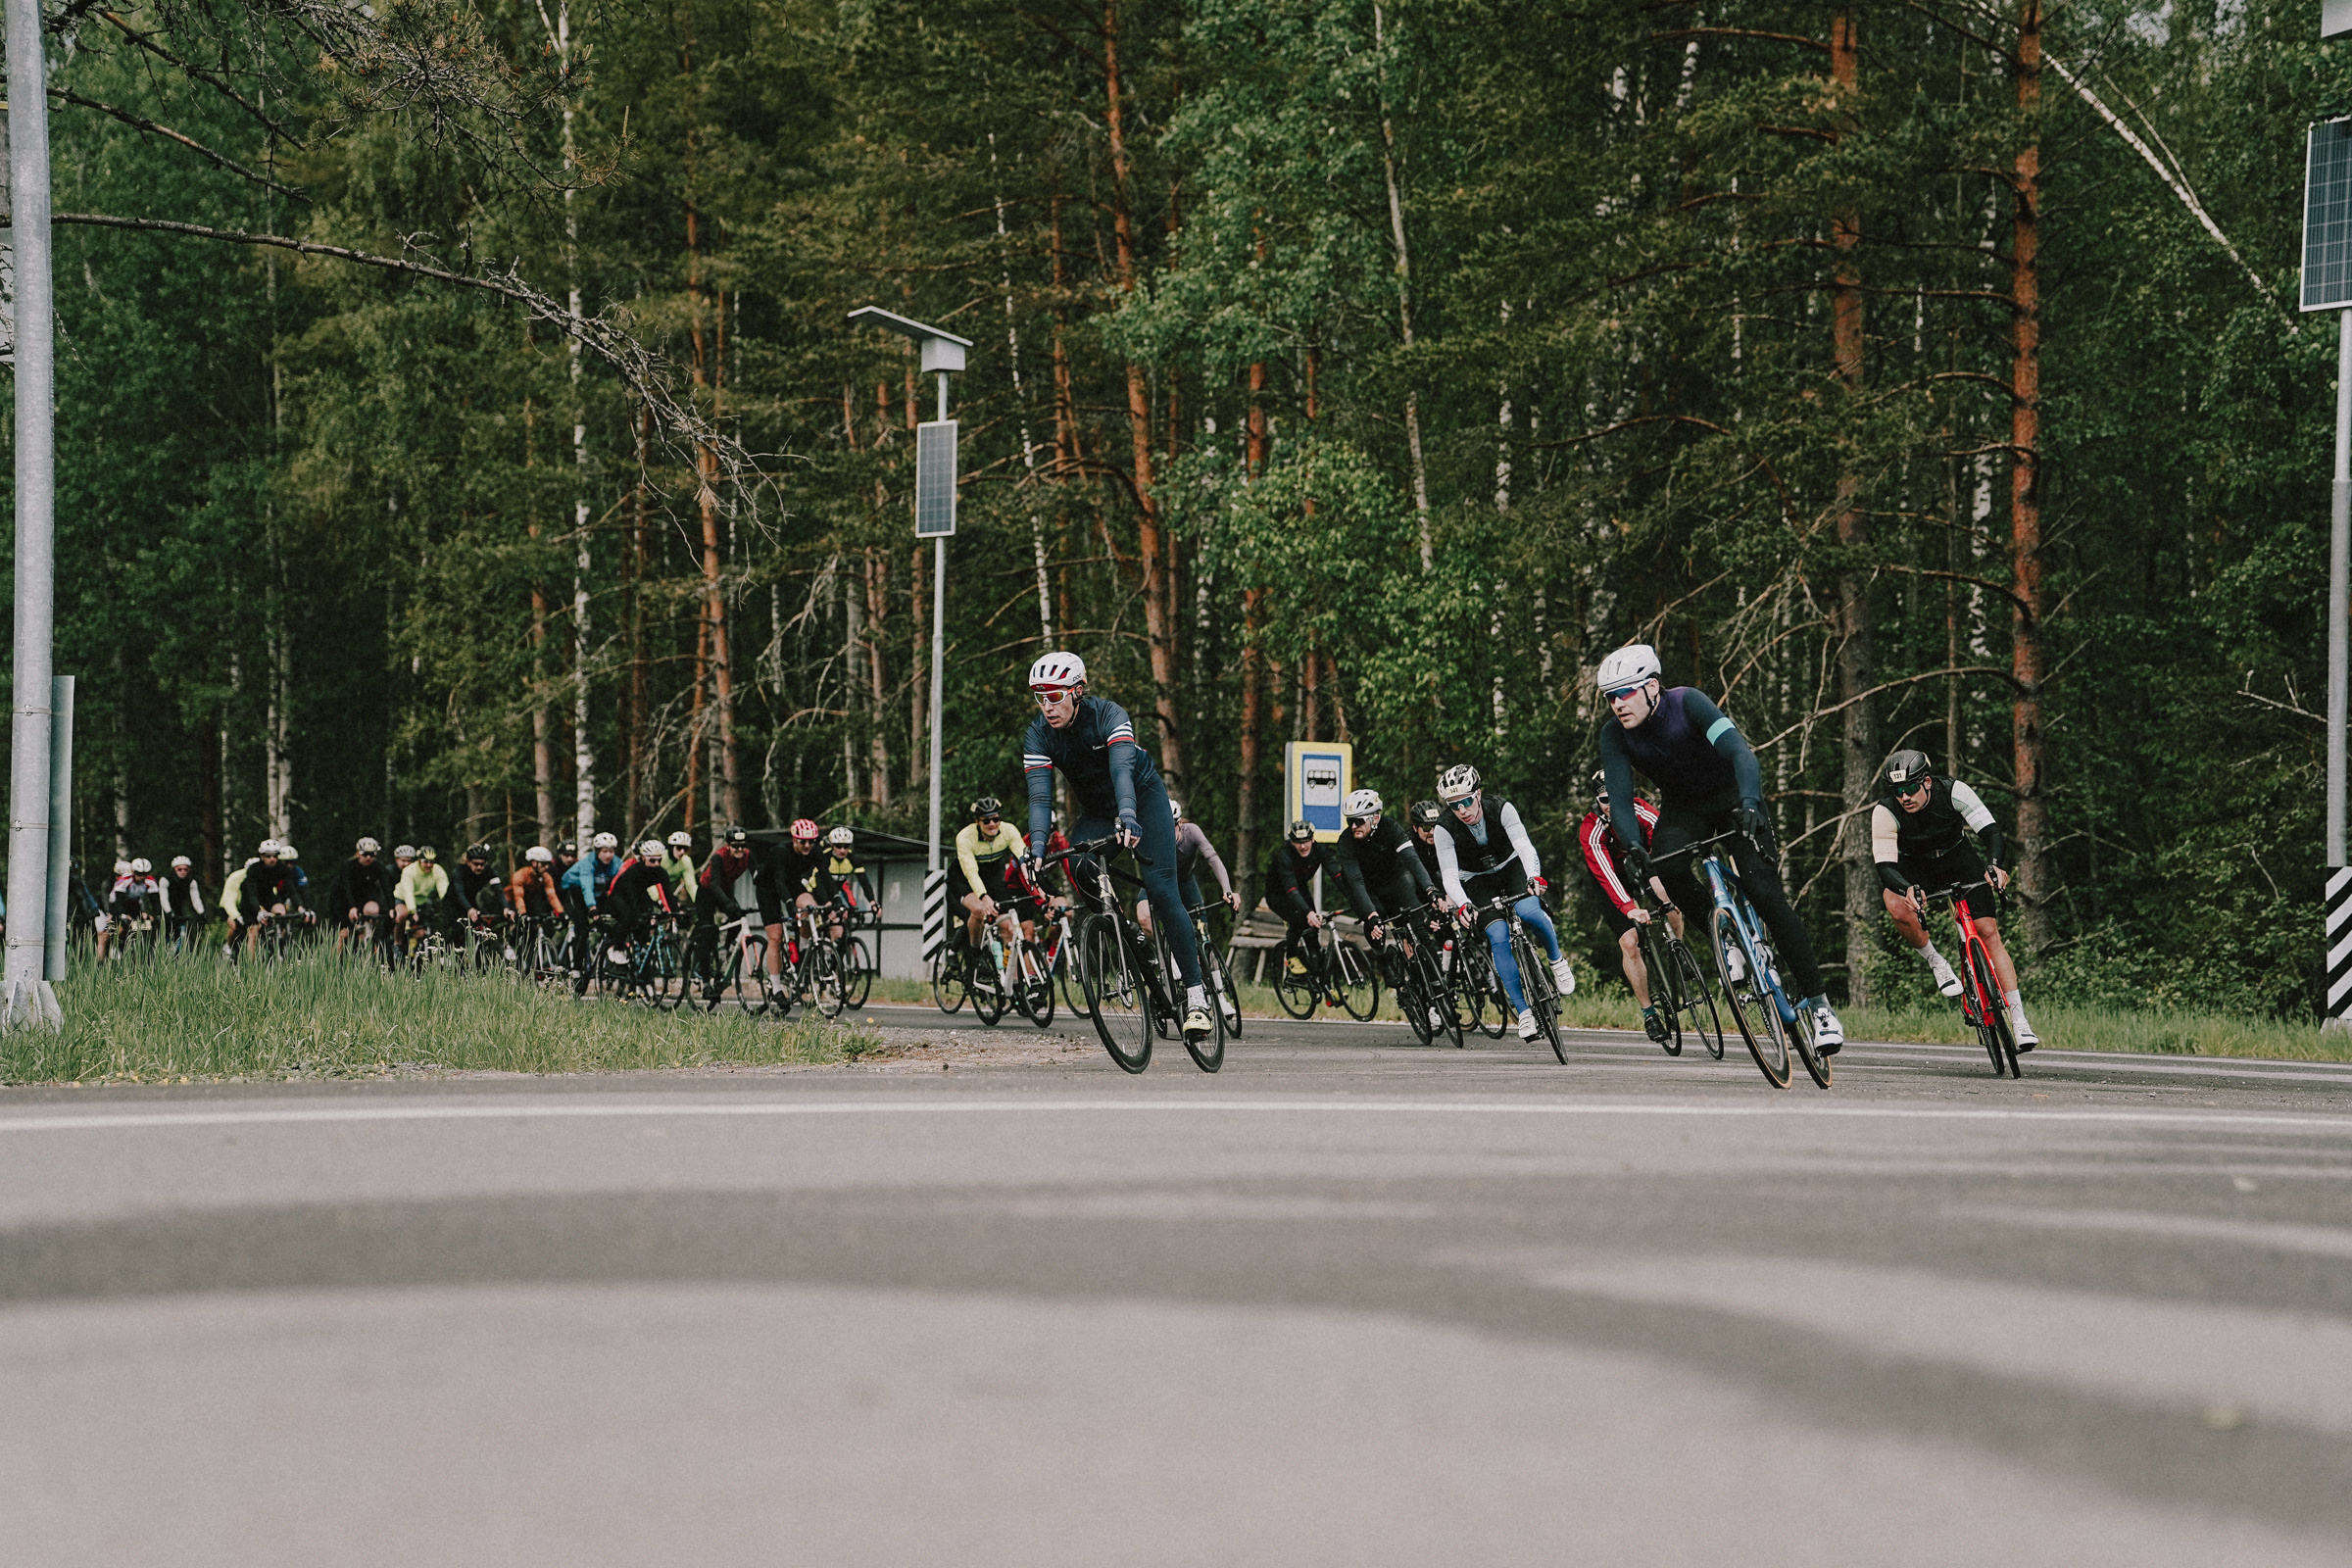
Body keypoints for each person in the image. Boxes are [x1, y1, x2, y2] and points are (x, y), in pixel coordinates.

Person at [1593, 642, 1847, 1053]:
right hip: (1684, 810)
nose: (1617, 704)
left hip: (1734, 798)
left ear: (1652, 687)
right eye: (1610, 697)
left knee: (1765, 893)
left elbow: (1739, 752)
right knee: (1666, 866)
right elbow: (1621, 800)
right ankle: (1725, 935)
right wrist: (1634, 848)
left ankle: (1819, 1006)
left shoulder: (1688, 703)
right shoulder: (1614, 736)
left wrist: (1750, 802)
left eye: (1625, 692)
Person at [1022, 651, 1212, 1042]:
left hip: (1142, 798)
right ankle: (1127, 935)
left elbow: (1121, 770)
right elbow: (1040, 800)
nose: (1047, 707)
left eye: (1055, 696)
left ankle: (1196, 997)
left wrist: (1129, 815)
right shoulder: (1038, 733)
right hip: (1097, 811)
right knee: (1078, 867)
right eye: (1040, 697)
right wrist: (1037, 847)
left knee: (1161, 891)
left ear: (1077, 691)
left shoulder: (1109, 715)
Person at [1873, 748, 2039, 1048]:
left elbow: (1991, 833)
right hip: (1916, 866)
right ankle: (1937, 962)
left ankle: (2019, 1020)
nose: (1904, 797)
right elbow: (1885, 866)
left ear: (1925, 782)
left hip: (1957, 859)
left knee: (1988, 933)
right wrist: (1907, 889)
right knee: (1894, 902)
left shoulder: (1953, 791)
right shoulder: (1885, 811)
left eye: (1910, 788)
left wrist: (1995, 866)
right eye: (1897, 791)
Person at [1432, 764, 1577, 1042]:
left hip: (1511, 867)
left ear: (1478, 793)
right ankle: (1523, 1012)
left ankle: (1557, 960)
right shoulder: (1444, 829)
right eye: (1453, 805)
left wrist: (1534, 876)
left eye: (1465, 801)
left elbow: (1524, 846)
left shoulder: (1501, 808)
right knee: (1497, 935)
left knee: (1528, 910)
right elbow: (1450, 876)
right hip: (1476, 880)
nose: (1461, 810)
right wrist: (1464, 904)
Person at [1577, 769, 1684, 1045]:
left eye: (1616, 796)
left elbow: (1663, 842)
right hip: (1610, 875)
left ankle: (1678, 952)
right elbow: (1606, 875)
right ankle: (1649, 1012)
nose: (1610, 804)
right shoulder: (1591, 828)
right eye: (1603, 799)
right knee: (1629, 941)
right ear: (1596, 800)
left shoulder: (1641, 811)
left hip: (1641, 860)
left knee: (1668, 895)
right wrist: (1629, 908)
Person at [1331, 789, 1436, 960]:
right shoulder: (1346, 841)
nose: (1353, 827)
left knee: (1418, 924)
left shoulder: (1391, 828)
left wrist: (1430, 889)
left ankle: (1435, 983)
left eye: (1358, 821)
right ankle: (1384, 958)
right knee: (1376, 919)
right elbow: (1356, 881)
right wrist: (1371, 915)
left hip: (1393, 880)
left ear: (1375, 818)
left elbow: (1412, 860)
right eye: (1350, 821)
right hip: (1365, 888)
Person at [1138, 797, 1240, 937]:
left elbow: (1213, 858)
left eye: (1170, 826)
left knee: (1201, 928)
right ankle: (1166, 956)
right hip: (1158, 879)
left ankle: (1205, 954)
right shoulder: (1154, 838)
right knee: (1144, 919)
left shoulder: (1191, 832)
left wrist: (1227, 890)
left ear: (1179, 823)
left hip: (1185, 881)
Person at [954, 797, 1033, 970]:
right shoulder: (965, 837)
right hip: (963, 880)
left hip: (992, 878)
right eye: (986, 820)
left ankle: (1010, 982)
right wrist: (983, 897)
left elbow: (1022, 855)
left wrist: (1034, 879)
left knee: (1010, 930)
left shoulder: (1008, 830)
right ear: (977, 822)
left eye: (995, 819)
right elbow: (971, 872)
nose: (992, 824)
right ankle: (975, 954)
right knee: (980, 910)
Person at [760, 819, 828, 991]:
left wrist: (835, 900)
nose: (807, 846)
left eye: (811, 841)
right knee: (775, 937)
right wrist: (790, 905)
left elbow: (826, 876)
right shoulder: (781, 851)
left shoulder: (815, 851)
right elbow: (779, 881)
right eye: (803, 842)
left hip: (791, 884)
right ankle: (776, 988)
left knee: (810, 907)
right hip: (768, 887)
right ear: (794, 840)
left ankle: (802, 951)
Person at [1263, 819, 1333, 987]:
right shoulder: (1284, 855)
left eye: (1305, 841)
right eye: (1298, 842)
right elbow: (1291, 890)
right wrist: (1307, 913)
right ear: (1291, 842)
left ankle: (1324, 985)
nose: (1302, 846)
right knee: (1299, 919)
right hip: (1278, 894)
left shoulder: (1319, 850)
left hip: (1299, 889)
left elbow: (1337, 874)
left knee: (1313, 931)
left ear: (1313, 839)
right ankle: (1291, 956)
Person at [692, 826, 760, 977]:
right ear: (728, 846)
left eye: (743, 845)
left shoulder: (747, 855)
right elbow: (715, 885)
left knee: (738, 916)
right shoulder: (719, 857)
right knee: (708, 930)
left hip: (725, 888)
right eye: (735, 846)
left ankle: (726, 949)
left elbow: (757, 877)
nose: (740, 849)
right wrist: (728, 903)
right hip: (707, 891)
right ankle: (701, 974)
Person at [562, 832, 621, 984]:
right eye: (605, 851)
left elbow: (621, 886)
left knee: (612, 921)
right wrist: (592, 908)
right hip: (576, 891)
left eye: (611, 851)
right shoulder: (588, 863)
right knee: (583, 928)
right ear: (597, 852)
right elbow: (586, 887)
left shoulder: (616, 863)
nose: (609, 855)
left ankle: (604, 953)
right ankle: (575, 968)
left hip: (598, 892)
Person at [328, 837, 396, 957]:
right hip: (342, 900)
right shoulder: (348, 866)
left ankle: (369, 944)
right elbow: (347, 889)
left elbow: (386, 887)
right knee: (344, 934)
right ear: (358, 854)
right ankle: (332, 963)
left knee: (373, 912)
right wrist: (352, 907)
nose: (368, 858)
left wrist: (391, 908)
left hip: (364, 899)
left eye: (372, 854)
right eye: (365, 854)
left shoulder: (378, 866)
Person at [238, 840, 301, 956]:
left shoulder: (282, 868)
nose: (272, 859)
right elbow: (252, 895)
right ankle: (250, 966)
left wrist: (301, 908)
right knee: (254, 931)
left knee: (281, 913)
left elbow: (292, 891)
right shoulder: (254, 869)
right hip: (251, 899)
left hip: (267, 896)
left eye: (275, 856)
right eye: (268, 856)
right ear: (262, 857)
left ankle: (282, 941)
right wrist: (259, 910)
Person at [445, 844, 508, 954]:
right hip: (453, 902)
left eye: (482, 864)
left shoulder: (489, 871)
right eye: (476, 864)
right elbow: (459, 893)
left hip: (470, 901)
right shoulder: (459, 871)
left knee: (480, 925)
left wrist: (505, 907)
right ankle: (444, 955)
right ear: (468, 862)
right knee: (459, 928)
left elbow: (498, 890)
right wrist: (469, 909)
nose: (479, 867)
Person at [395, 845, 451, 952]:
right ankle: (397, 944)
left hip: (422, 900)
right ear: (419, 861)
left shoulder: (438, 870)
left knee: (421, 933)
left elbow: (444, 891)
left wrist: (449, 907)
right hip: (403, 898)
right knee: (402, 915)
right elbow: (408, 892)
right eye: (426, 861)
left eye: (432, 862)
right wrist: (413, 910)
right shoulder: (409, 871)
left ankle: (415, 951)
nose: (429, 865)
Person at [159, 855, 209, 952]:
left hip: (178, 909)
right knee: (166, 935)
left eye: (186, 869)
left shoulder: (191, 882)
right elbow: (163, 898)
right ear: (174, 869)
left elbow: (196, 899)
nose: (183, 871)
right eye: (180, 869)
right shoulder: (165, 879)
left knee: (181, 933)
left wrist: (201, 912)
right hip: (164, 910)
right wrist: (169, 912)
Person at [507, 846, 564, 922]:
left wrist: (561, 913)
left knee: (547, 923)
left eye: (547, 864)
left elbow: (552, 896)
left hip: (531, 900)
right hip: (513, 901)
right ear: (534, 863)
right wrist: (523, 914)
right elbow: (518, 898)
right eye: (543, 864)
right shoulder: (520, 875)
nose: (547, 867)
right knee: (525, 927)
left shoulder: (546, 877)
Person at [662, 831, 699, 910]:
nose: (682, 852)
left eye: (685, 849)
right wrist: (660, 901)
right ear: (671, 847)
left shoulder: (686, 861)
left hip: (669, 891)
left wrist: (699, 901)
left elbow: (691, 885)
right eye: (679, 847)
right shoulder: (660, 859)